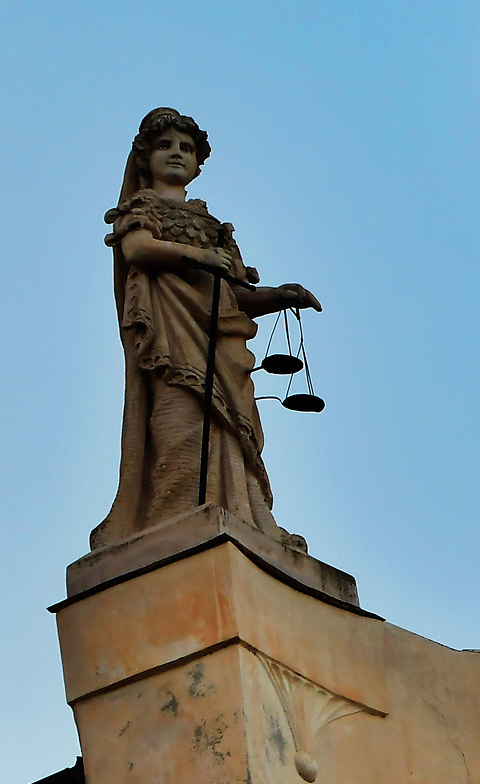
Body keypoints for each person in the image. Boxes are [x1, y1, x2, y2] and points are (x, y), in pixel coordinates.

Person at [91, 106, 320, 550]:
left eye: (186, 147)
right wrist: (200, 258)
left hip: (222, 348)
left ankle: (249, 519)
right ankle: (170, 522)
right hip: (172, 341)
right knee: (182, 427)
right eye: (164, 145)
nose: (176, 153)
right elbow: (137, 249)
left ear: (198, 163)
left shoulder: (215, 229)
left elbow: (233, 294)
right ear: (145, 158)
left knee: (231, 432)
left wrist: (279, 296)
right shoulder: (141, 208)